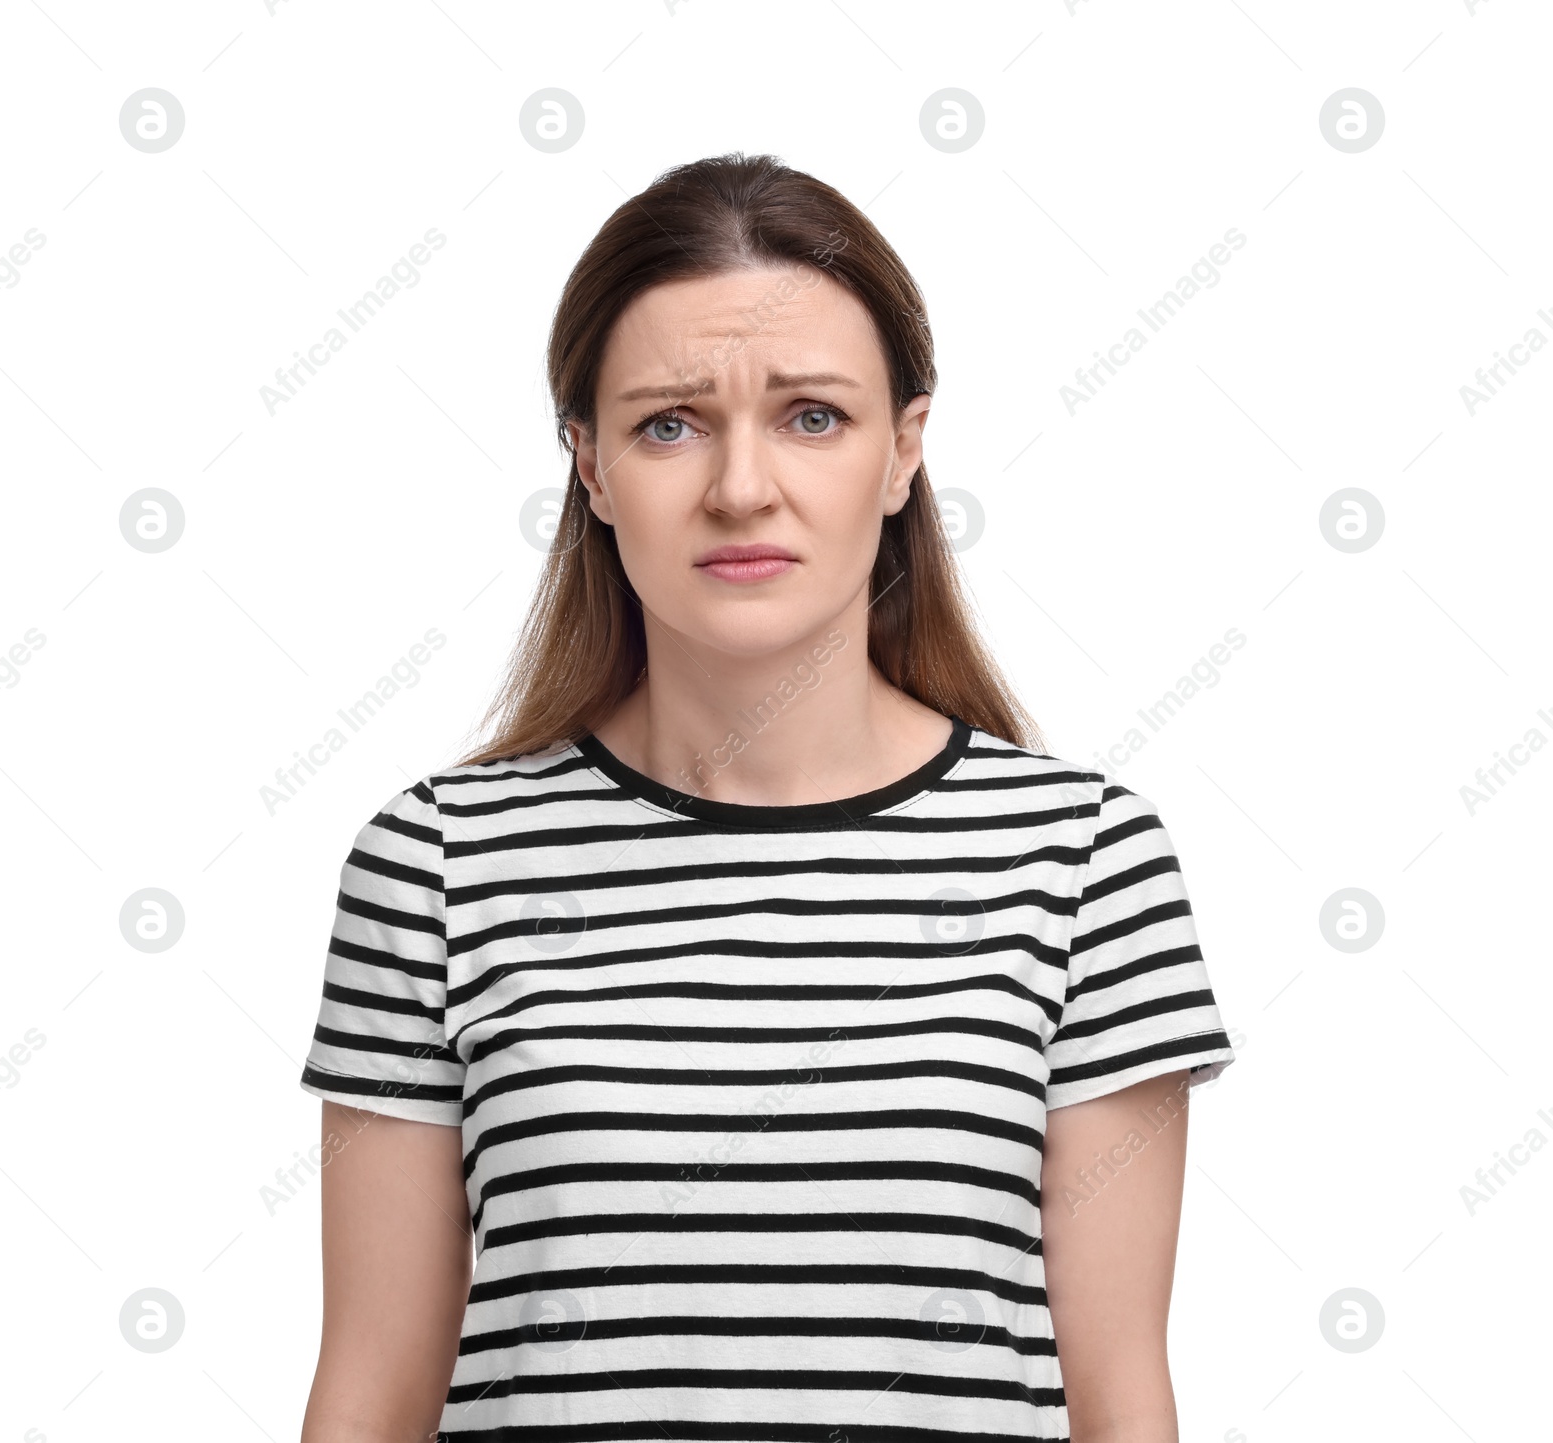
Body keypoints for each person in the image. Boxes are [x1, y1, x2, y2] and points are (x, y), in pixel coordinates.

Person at [297, 151, 1236, 1443]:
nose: (742, 487)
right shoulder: (440, 863)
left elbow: (1121, 1400)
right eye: (669, 423)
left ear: (905, 450)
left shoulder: (1082, 859)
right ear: (589, 466)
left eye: (812, 416)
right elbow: (369, 1395)